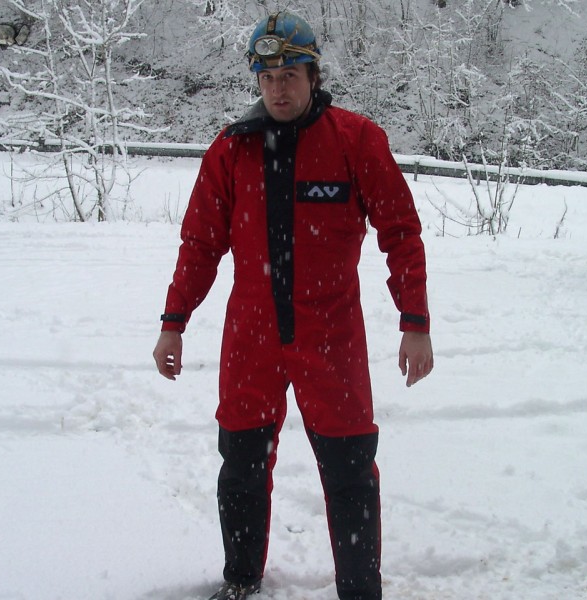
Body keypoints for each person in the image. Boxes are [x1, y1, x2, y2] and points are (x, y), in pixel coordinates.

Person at [152, 11, 433, 600]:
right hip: (251, 336)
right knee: (241, 466)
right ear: (257, 81)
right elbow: (200, 245)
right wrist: (174, 321)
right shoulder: (231, 151)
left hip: (330, 336)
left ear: (313, 74)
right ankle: (241, 582)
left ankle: (360, 591)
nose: (279, 88)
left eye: (291, 74)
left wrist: (415, 322)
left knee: (351, 467)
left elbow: (401, 231)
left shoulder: (355, 140)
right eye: (268, 76)